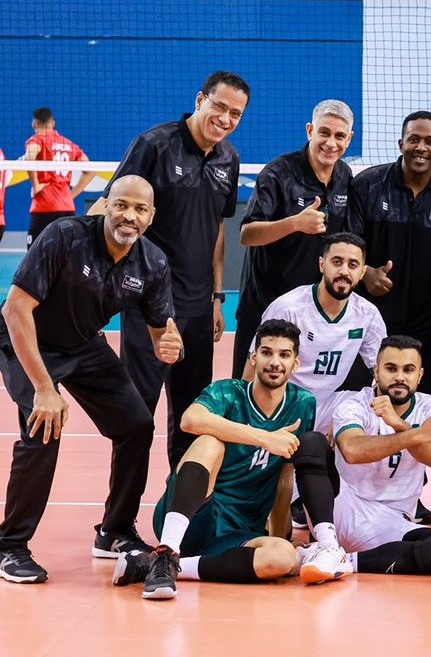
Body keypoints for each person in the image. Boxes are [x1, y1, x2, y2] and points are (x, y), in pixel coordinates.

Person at [0, 175, 182, 583]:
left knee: (136, 425)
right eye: (121, 205)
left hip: (82, 343)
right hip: (28, 337)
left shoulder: (152, 263)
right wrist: (44, 389)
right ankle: (10, 546)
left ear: (151, 217)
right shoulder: (65, 236)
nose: (129, 216)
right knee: (44, 426)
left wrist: (169, 346)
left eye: (139, 209)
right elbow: (16, 309)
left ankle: (115, 530)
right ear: (106, 205)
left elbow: (161, 335)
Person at [112, 320, 350, 600]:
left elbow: (285, 479)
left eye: (284, 355)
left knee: (283, 557)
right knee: (209, 442)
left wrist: (279, 536)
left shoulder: (302, 404)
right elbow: (190, 419)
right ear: (254, 357)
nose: (275, 362)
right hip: (195, 515)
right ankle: (167, 549)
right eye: (267, 352)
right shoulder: (228, 392)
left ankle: (157, 565)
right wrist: (264, 438)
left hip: (240, 530)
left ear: (296, 363)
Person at [96, 70, 248, 470]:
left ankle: (182, 507)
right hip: (148, 303)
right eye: (219, 106)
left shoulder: (229, 159)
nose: (225, 118)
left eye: (235, 113)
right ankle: (121, 510)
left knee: (193, 417)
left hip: (198, 307)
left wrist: (217, 297)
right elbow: (109, 207)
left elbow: (217, 229)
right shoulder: (154, 145)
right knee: (136, 416)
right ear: (200, 100)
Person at [347, 111, 431, 395]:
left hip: (421, 322)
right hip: (366, 316)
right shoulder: (367, 185)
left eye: (430, 141)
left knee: (421, 401)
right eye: (414, 139)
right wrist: (365, 272)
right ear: (400, 143)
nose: (421, 148)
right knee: (358, 399)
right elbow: (346, 245)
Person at [234, 98, 356, 375]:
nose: (331, 143)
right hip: (265, 304)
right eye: (324, 132)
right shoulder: (278, 173)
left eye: (339, 136)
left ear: (349, 139)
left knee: (300, 387)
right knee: (247, 389)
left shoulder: (344, 175)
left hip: (310, 311)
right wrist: (294, 223)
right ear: (310, 130)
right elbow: (247, 234)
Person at [329, 335, 431, 576]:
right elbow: (352, 451)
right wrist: (414, 434)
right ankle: (326, 544)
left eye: (408, 370)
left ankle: (344, 562)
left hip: (393, 522)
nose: (400, 377)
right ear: (376, 371)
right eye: (391, 369)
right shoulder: (354, 405)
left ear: (420, 375)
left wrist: (398, 424)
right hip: (343, 508)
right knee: (313, 444)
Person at [258, 233, 386, 432]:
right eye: (337, 262)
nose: (344, 271)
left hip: (328, 404)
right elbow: (253, 369)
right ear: (321, 264)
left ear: (362, 273)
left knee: (376, 410)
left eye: (352, 265)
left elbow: (384, 372)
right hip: (283, 401)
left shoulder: (368, 314)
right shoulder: (288, 308)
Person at [23, 107, 93, 247]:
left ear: (34, 123)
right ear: (53, 123)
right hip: (67, 207)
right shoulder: (69, 144)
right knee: (65, 252)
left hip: (45, 205)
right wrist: (71, 195)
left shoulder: (38, 140)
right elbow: (90, 171)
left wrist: (36, 184)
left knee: (34, 251)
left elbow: (29, 157)